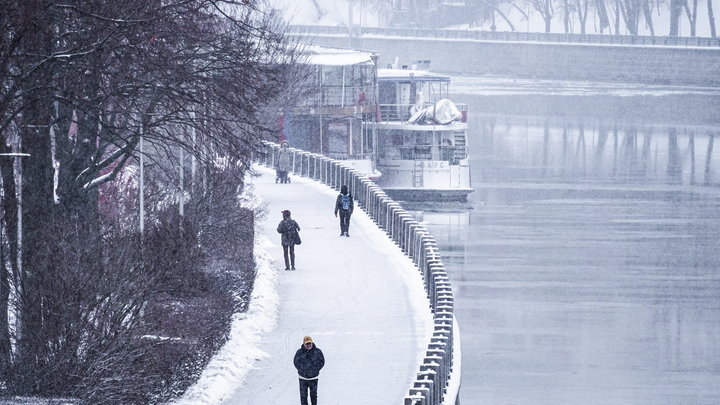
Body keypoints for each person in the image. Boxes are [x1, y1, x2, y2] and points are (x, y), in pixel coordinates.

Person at [294, 336, 325, 405]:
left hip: (313, 378)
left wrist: (315, 369)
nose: (308, 345)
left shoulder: (317, 352)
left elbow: (322, 361)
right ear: (304, 344)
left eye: (309, 343)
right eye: (307, 344)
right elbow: (296, 362)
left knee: (314, 396)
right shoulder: (299, 352)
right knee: (303, 396)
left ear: (312, 343)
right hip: (303, 378)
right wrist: (302, 369)